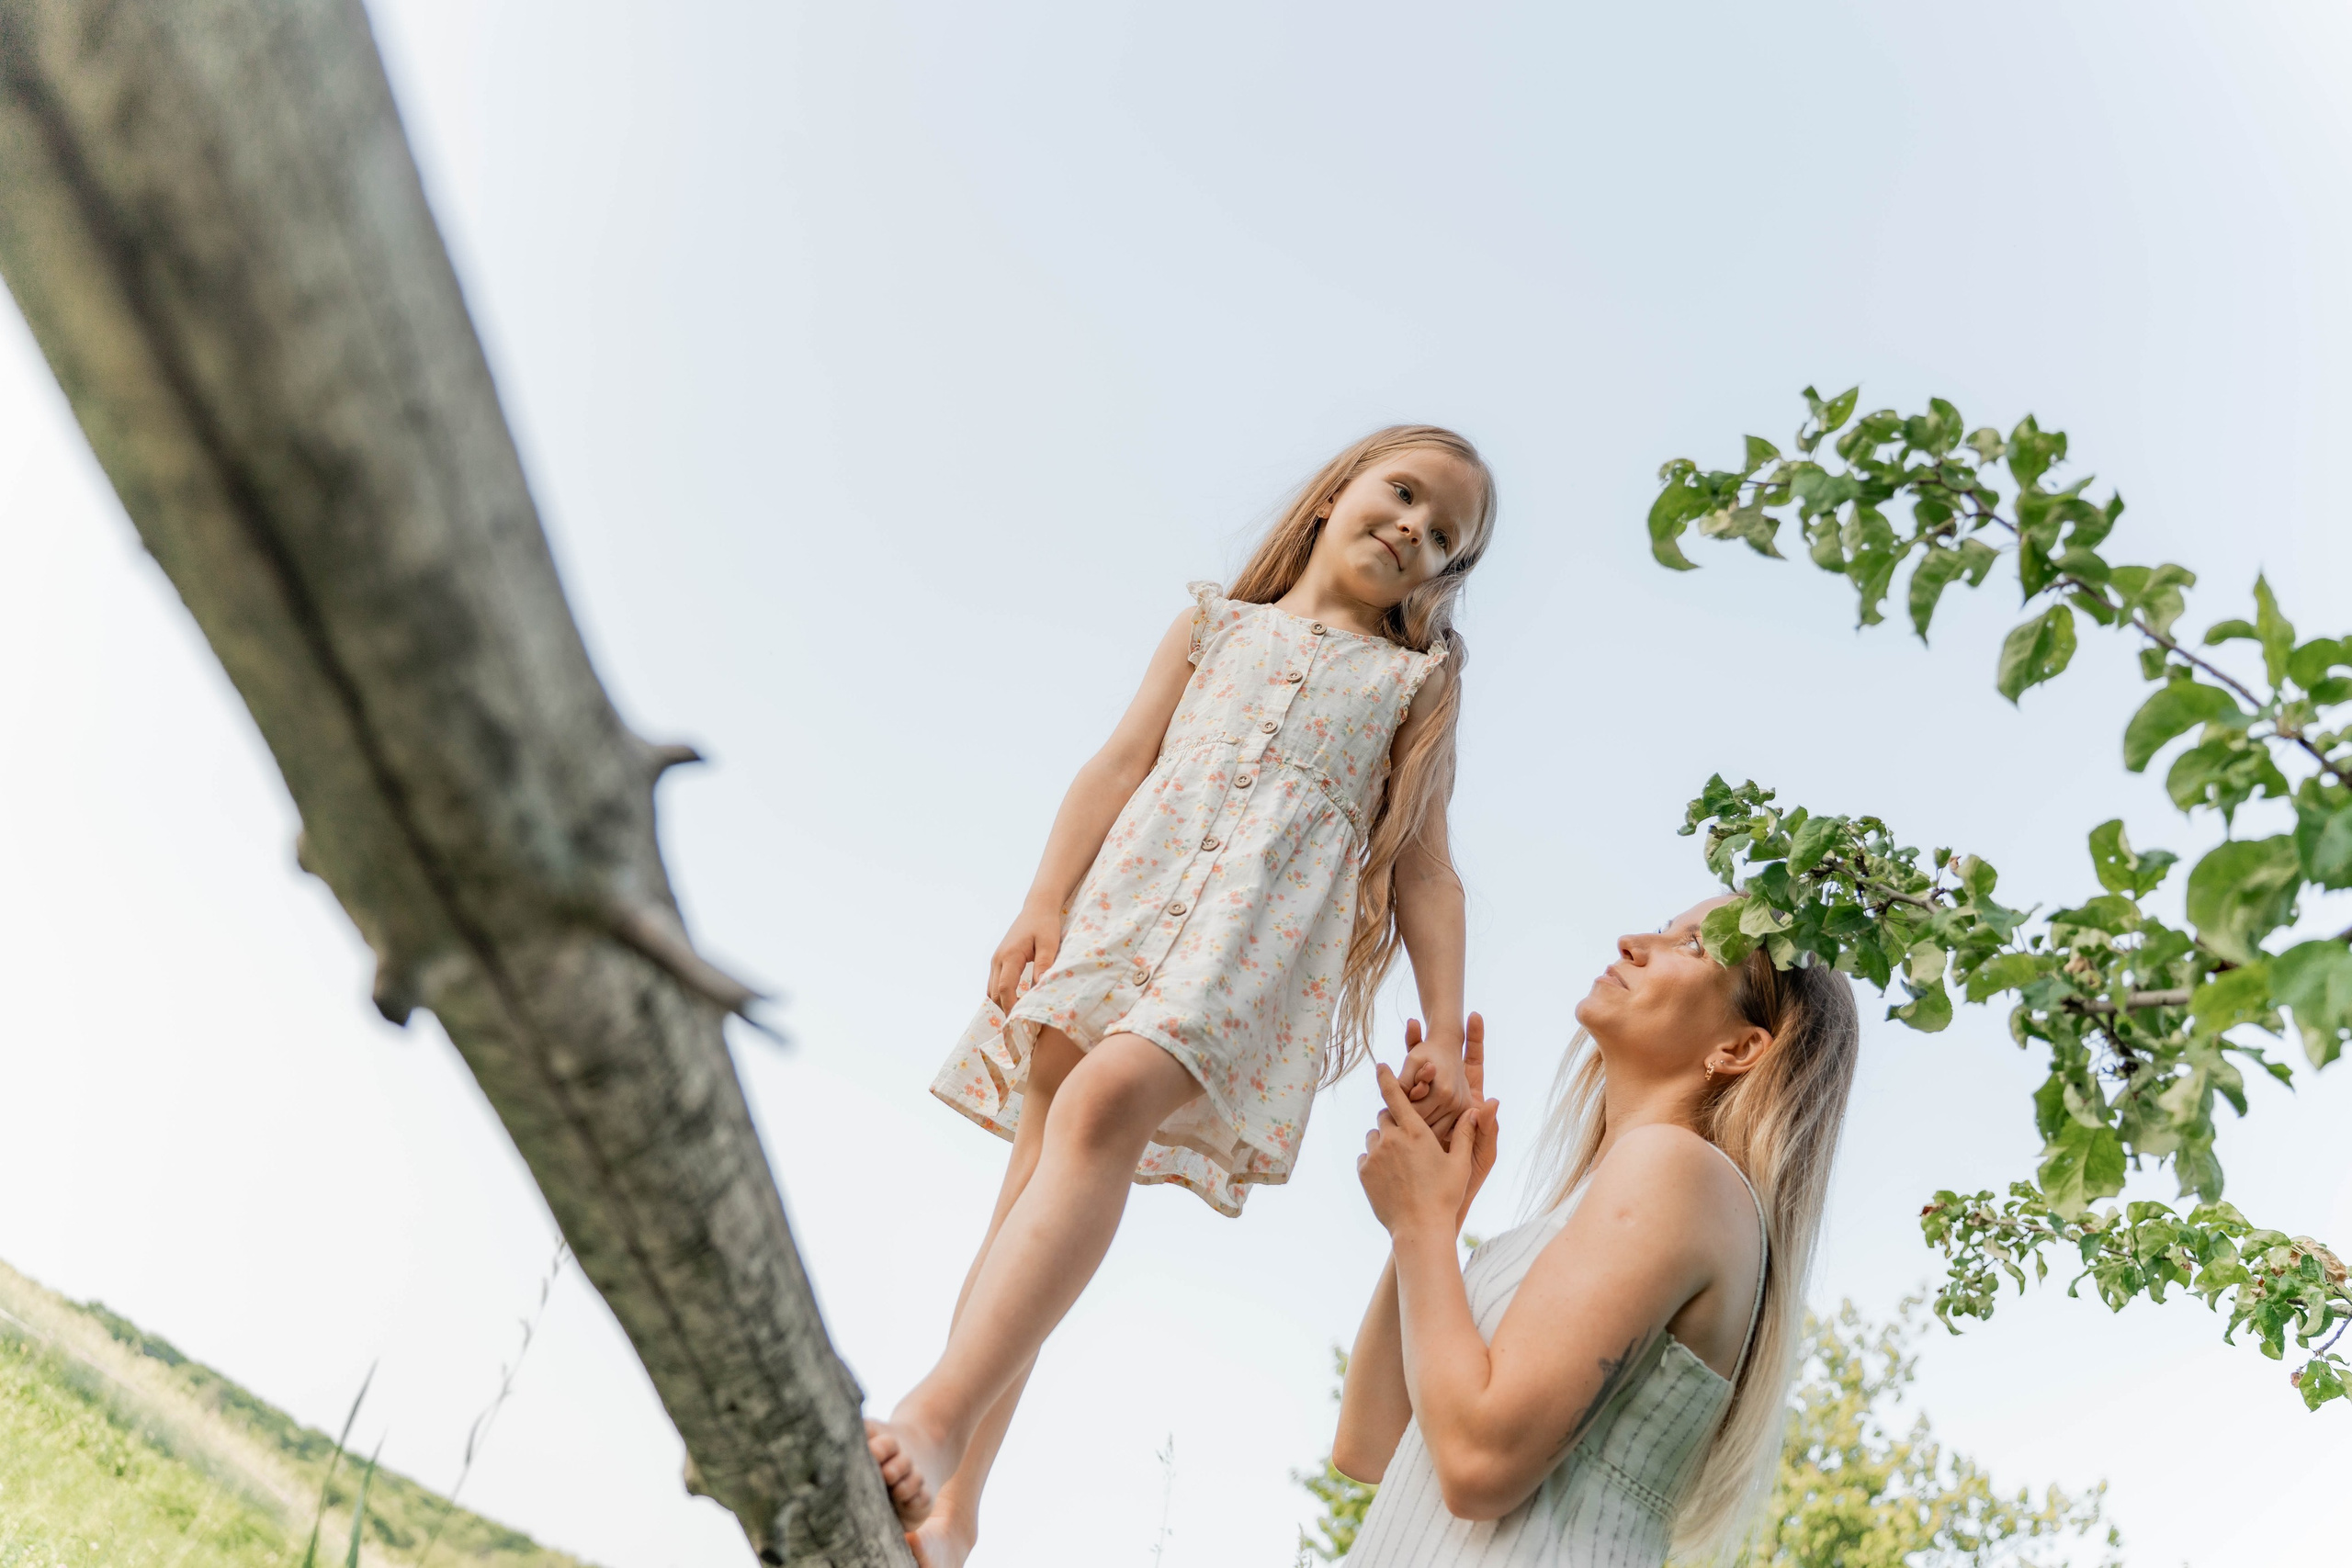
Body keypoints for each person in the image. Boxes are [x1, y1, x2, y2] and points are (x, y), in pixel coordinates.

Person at [866, 425, 1499, 1565]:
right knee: (1030, 1186)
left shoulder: (1410, 684)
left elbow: (1427, 873)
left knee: (1108, 1104)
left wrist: (1445, 1035)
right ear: (1332, 498)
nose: (1416, 528)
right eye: (1404, 495)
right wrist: (1043, 900)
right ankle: (953, 1508)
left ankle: (930, 1419)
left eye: (1444, 536)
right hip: (1125, 910)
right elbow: (1118, 765)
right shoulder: (1214, 625)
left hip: (1245, 951)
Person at [1337, 897, 1860, 1566]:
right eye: (1666, 925)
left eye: (1695, 945)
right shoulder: (1589, 1209)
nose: (1635, 941)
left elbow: (1476, 1463)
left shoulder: (1681, 1170)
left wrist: (1424, 1224)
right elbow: (1372, 1443)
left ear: (1739, 1047)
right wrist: (1441, 1209)